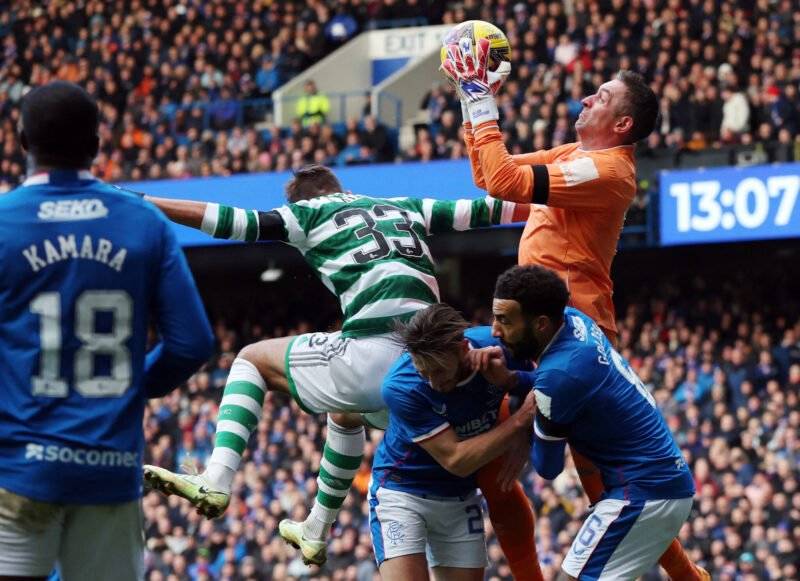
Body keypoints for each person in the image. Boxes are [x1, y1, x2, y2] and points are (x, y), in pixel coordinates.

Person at [141, 164, 533, 567]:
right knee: (345, 412)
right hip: (430, 362)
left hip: (373, 350)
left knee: (250, 360)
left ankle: (215, 478)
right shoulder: (401, 206)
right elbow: (490, 210)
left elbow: (230, 221)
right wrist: (553, 198)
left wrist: (147, 203)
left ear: (299, 200)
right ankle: (316, 527)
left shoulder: (307, 213)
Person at [443, 38, 707, 579]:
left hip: (565, 330)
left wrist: (477, 98)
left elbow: (503, 179)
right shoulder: (574, 156)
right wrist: (477, 107)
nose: (586, 98)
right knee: (603, 483)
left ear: (623, 124)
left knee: (602, 480)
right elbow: (493, 181)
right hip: (539, 327)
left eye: (602, 96)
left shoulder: (607, 170)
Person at [0, 81, 214, 580]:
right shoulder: (143, 221)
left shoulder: (3, 222)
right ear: (98, 145)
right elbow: (193, 343)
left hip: (18, 465)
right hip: (109, 467)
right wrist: (130, 388)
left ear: (22, 142)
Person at [483, 265, 695, 579]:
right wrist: (516, 381)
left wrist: (525, 419)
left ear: (541, 324)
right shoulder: (574, 320)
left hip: (643, 492)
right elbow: (563, 387)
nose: (494, 332)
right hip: (655, 484)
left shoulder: (558, 376)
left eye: (505, 320)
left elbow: (548, 467)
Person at [370, 304, 539, 580]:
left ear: (462, 349)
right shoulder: (402, 385)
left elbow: (550, 382)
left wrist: (510, 382)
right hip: (402, 490)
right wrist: (520, 422)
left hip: (460, 496)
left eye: (438, 371)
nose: (432, 382)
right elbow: (456, 460)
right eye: (423, 371)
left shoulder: (497, 345)